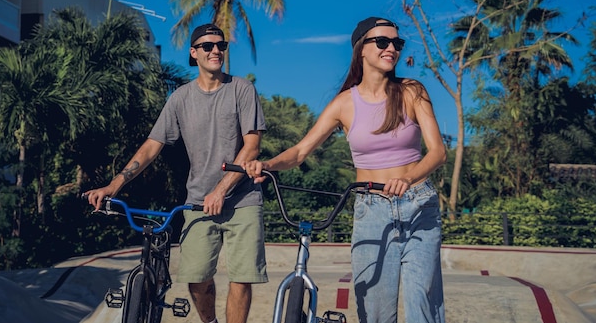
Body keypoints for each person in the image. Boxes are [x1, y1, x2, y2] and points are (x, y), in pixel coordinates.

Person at [242, 16, 447, 323]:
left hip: (419, 205)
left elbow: (438, 152)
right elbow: (300, 151)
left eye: (397, 43)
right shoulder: (343, 104)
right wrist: (267, 165)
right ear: (361, 49)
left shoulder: (411, 91)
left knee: (423, 308)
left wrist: (408, 177)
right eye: (382, 41)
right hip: (372, 211)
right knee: (374, 312)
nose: (392, 48)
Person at [84, 23, 268, 323]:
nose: (216, 51)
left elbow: (252, 147)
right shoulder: (180, 99)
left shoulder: (241, 89)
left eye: (221, 45)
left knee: (242, 277)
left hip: (242, 199)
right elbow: (152, 146)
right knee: (196, 278)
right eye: (207, 46)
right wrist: (113, 186)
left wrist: (221, 190)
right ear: (194, 53)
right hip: (197, 201)